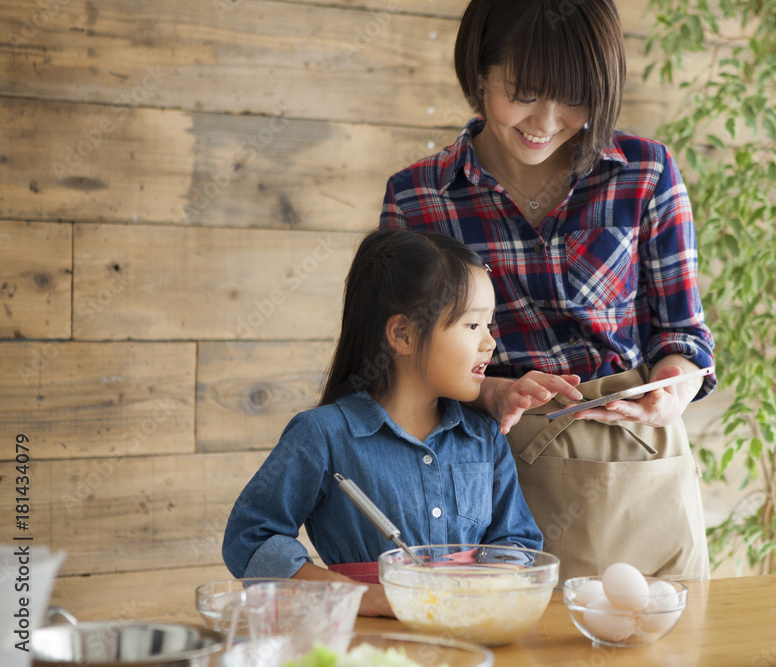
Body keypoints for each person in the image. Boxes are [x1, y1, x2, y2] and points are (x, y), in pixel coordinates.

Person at [380, 0, 717, 581]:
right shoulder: (419, 198)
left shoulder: (646, 173)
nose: (546, 120)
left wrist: (673, 388)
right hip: (480, 469)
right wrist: (491, 394)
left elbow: (682, 333)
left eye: (573, 98)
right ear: (479, 72)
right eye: (525, 92)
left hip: (628, 463)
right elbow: (400, 366)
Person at [222, 229, 544, 617]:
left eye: (488, 326)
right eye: (472, 325)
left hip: (469, 631)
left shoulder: (484, 436)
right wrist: (360, 597)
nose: (489, 343)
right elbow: (249, 539)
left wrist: (479, 588)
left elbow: (518, 541)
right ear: (403, 334)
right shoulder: (323, 435)